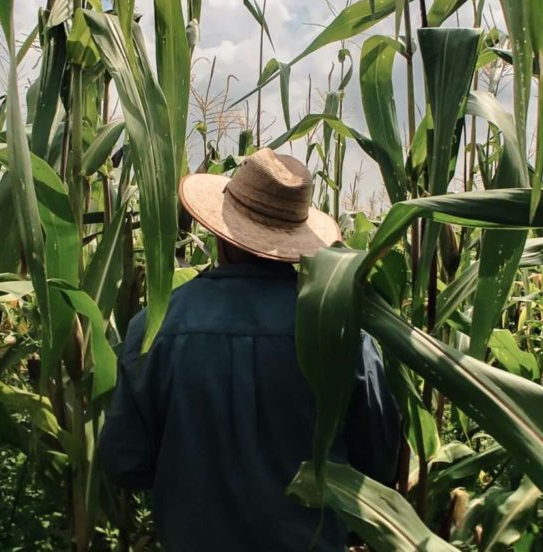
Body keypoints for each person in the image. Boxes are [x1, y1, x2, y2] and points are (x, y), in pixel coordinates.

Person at [98, 148, 402, 551]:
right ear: (297, 237)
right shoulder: (342, 332)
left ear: (220, 230)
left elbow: (125, 462)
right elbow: (380, 464)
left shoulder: (155, 328)